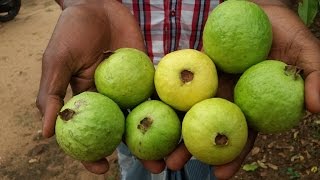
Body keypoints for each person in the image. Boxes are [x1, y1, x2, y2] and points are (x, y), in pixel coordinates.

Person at [36, 0, 320, 179]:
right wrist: (84, 3)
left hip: (216, 83)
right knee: (136, 159)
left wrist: (269, 2)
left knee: (201, 166)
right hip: (128, 99)